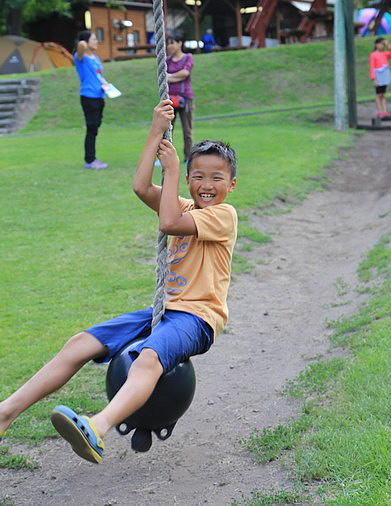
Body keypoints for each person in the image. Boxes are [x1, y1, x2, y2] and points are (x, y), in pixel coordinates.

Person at [0, 98, 238, 465]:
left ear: (232, 184)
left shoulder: (224, 215)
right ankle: (5, 413)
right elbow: (142, 188)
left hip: (198, 317)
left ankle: (99, 427)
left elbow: (168, 223)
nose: (206, 185)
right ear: (190, 179)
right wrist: (156, 132)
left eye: (216, 178)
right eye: (198, 176)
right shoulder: (186, 206)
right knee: (81, 343)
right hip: (165, 310)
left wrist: (172, 169)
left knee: (148, 359)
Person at [74, 30, 108, 169]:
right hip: (89, 97)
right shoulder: (80, 57)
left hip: (99, 96)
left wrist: (106, 85)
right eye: (93, 39)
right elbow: (80, 45)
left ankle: (91, 159)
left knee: (95, 127)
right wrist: (84, 40)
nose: (96, 41)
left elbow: (99, 76)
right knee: (91, 128)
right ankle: (90, 160)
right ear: (86, 42)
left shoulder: (96, 58)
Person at [166, 31, 194, 162]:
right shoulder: (167, 60)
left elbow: (185, 73)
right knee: (167, 130)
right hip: (170, 99)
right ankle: (165, 157)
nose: (169, 46)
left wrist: (170, 77)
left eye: (172, 43)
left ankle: (188, 157)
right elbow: (162, 76)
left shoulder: (188, 57)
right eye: (168, 43)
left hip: (185, 98)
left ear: (179, 43)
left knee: (187, 130)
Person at [369, 37, 391, 117]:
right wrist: (374, 79)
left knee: (383, 94)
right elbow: (372, 67)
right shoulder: (373, 55)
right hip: (378, 75)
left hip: (385, 75)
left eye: (383, 44)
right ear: (376, 44)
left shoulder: (385, 54)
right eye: (381, 44)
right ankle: (379, 111)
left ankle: (385, 111)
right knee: (379, 94)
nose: (382, 46)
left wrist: (388, 45)